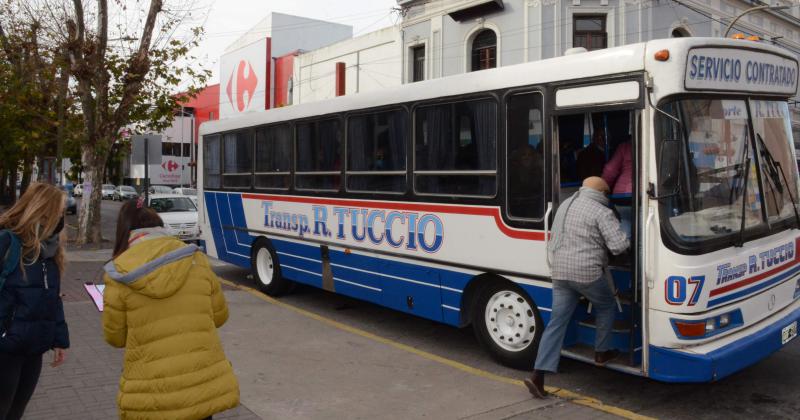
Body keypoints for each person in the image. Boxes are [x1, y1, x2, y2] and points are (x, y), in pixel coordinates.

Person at [102, 199, 239, 420]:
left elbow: (115, 338)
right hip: (200, 387)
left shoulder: (119, 273)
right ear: (160, 227)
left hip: (152, 394)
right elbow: (220, 316)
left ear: (125, 232)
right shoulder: (196, 259)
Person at [524, 177, 629, 399]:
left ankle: (537, 374)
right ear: (603, 194)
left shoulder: (566, 203)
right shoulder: (601, 211)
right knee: (607, 304)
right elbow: (619, 247)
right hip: (587, 273)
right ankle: (601, 352)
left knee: (556, 323)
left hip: (560, 272)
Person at [0, 183, 69, 420]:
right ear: (42, 211)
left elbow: (53, 298)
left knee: (15, 412)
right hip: (5, 349)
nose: (61, 218)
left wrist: (59, 340)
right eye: (58, 212)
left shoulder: (51, 251)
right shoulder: (8, 242)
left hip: (33, 348)